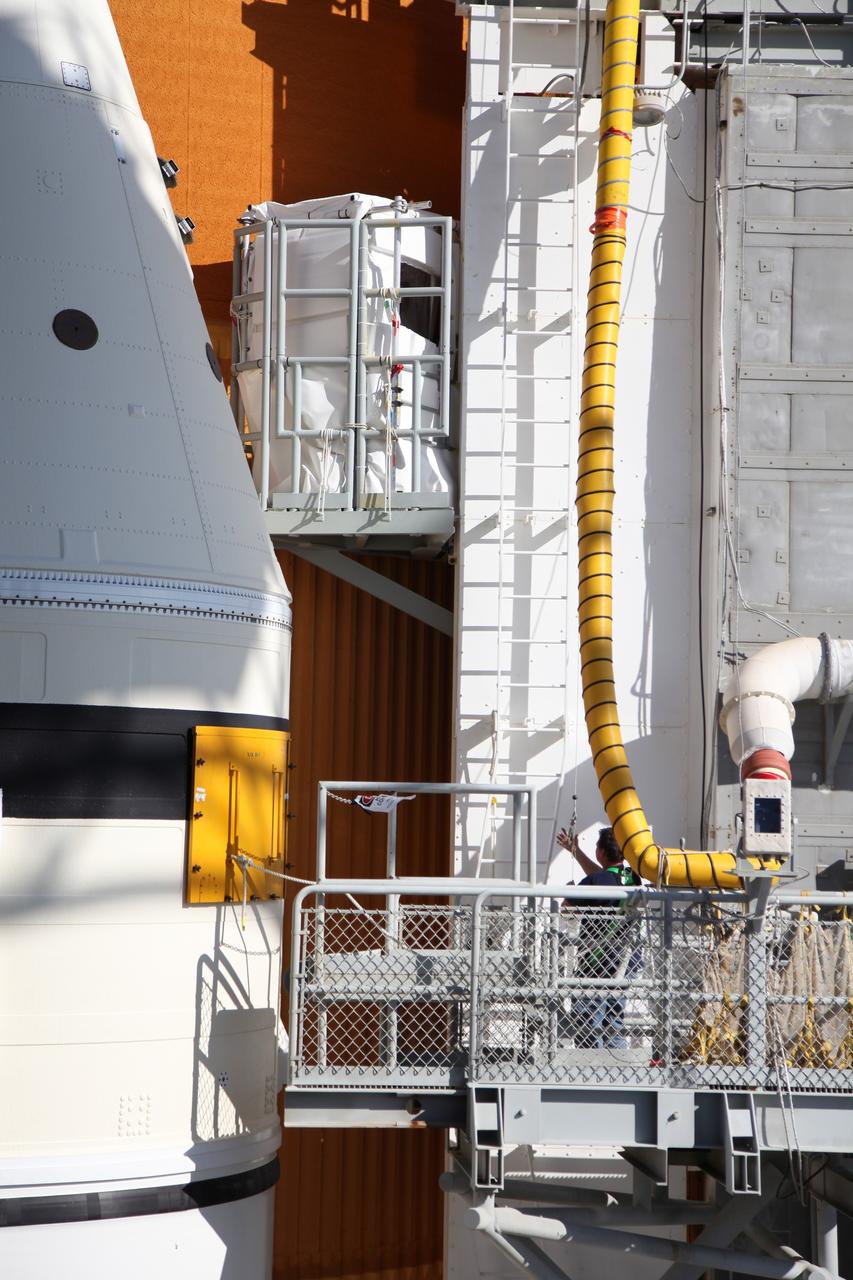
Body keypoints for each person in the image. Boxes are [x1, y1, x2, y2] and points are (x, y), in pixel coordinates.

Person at [556, 826, 640, 1050]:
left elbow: (566, 912)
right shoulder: (632, 878)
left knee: (587, 1023)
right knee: (613, 1021)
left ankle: (590, 1069)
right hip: (625, 962)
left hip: (595, 961)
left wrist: (571, 894)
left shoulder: (593, 881)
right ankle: (617, 1074)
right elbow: (607, 876)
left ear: (600, 852)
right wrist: (576, 852)